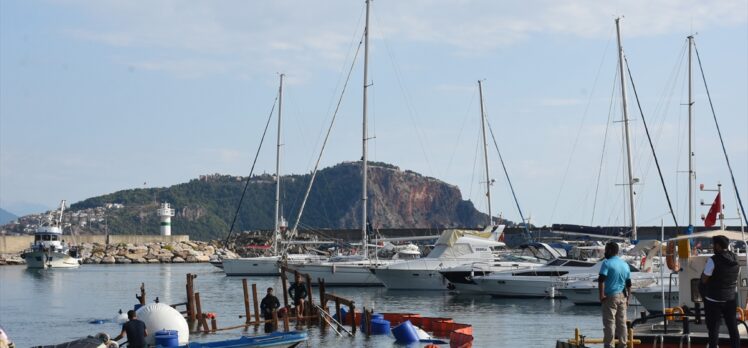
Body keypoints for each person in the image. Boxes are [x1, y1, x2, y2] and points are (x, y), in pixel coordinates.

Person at [700, 235, 740, 348]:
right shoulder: (735, 258)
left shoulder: (713, 260)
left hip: (714, 300)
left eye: (713, 245)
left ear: (717, 246)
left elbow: (704, 279)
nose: (712, 247)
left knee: (713, 329)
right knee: (733, 329)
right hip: (730, 299)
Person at [598, 242, 631, 348]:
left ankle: (609, 345)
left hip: (610, 296)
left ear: (610, 251)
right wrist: (628, 299)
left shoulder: (607, 263)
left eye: (606, 250)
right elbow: (629, 284)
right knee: (622, 323)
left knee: (609, 323)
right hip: (623, 296)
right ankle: (623, 345)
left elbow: (601, 280)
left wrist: (601, 295)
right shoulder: (625, 264)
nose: (605, 252)